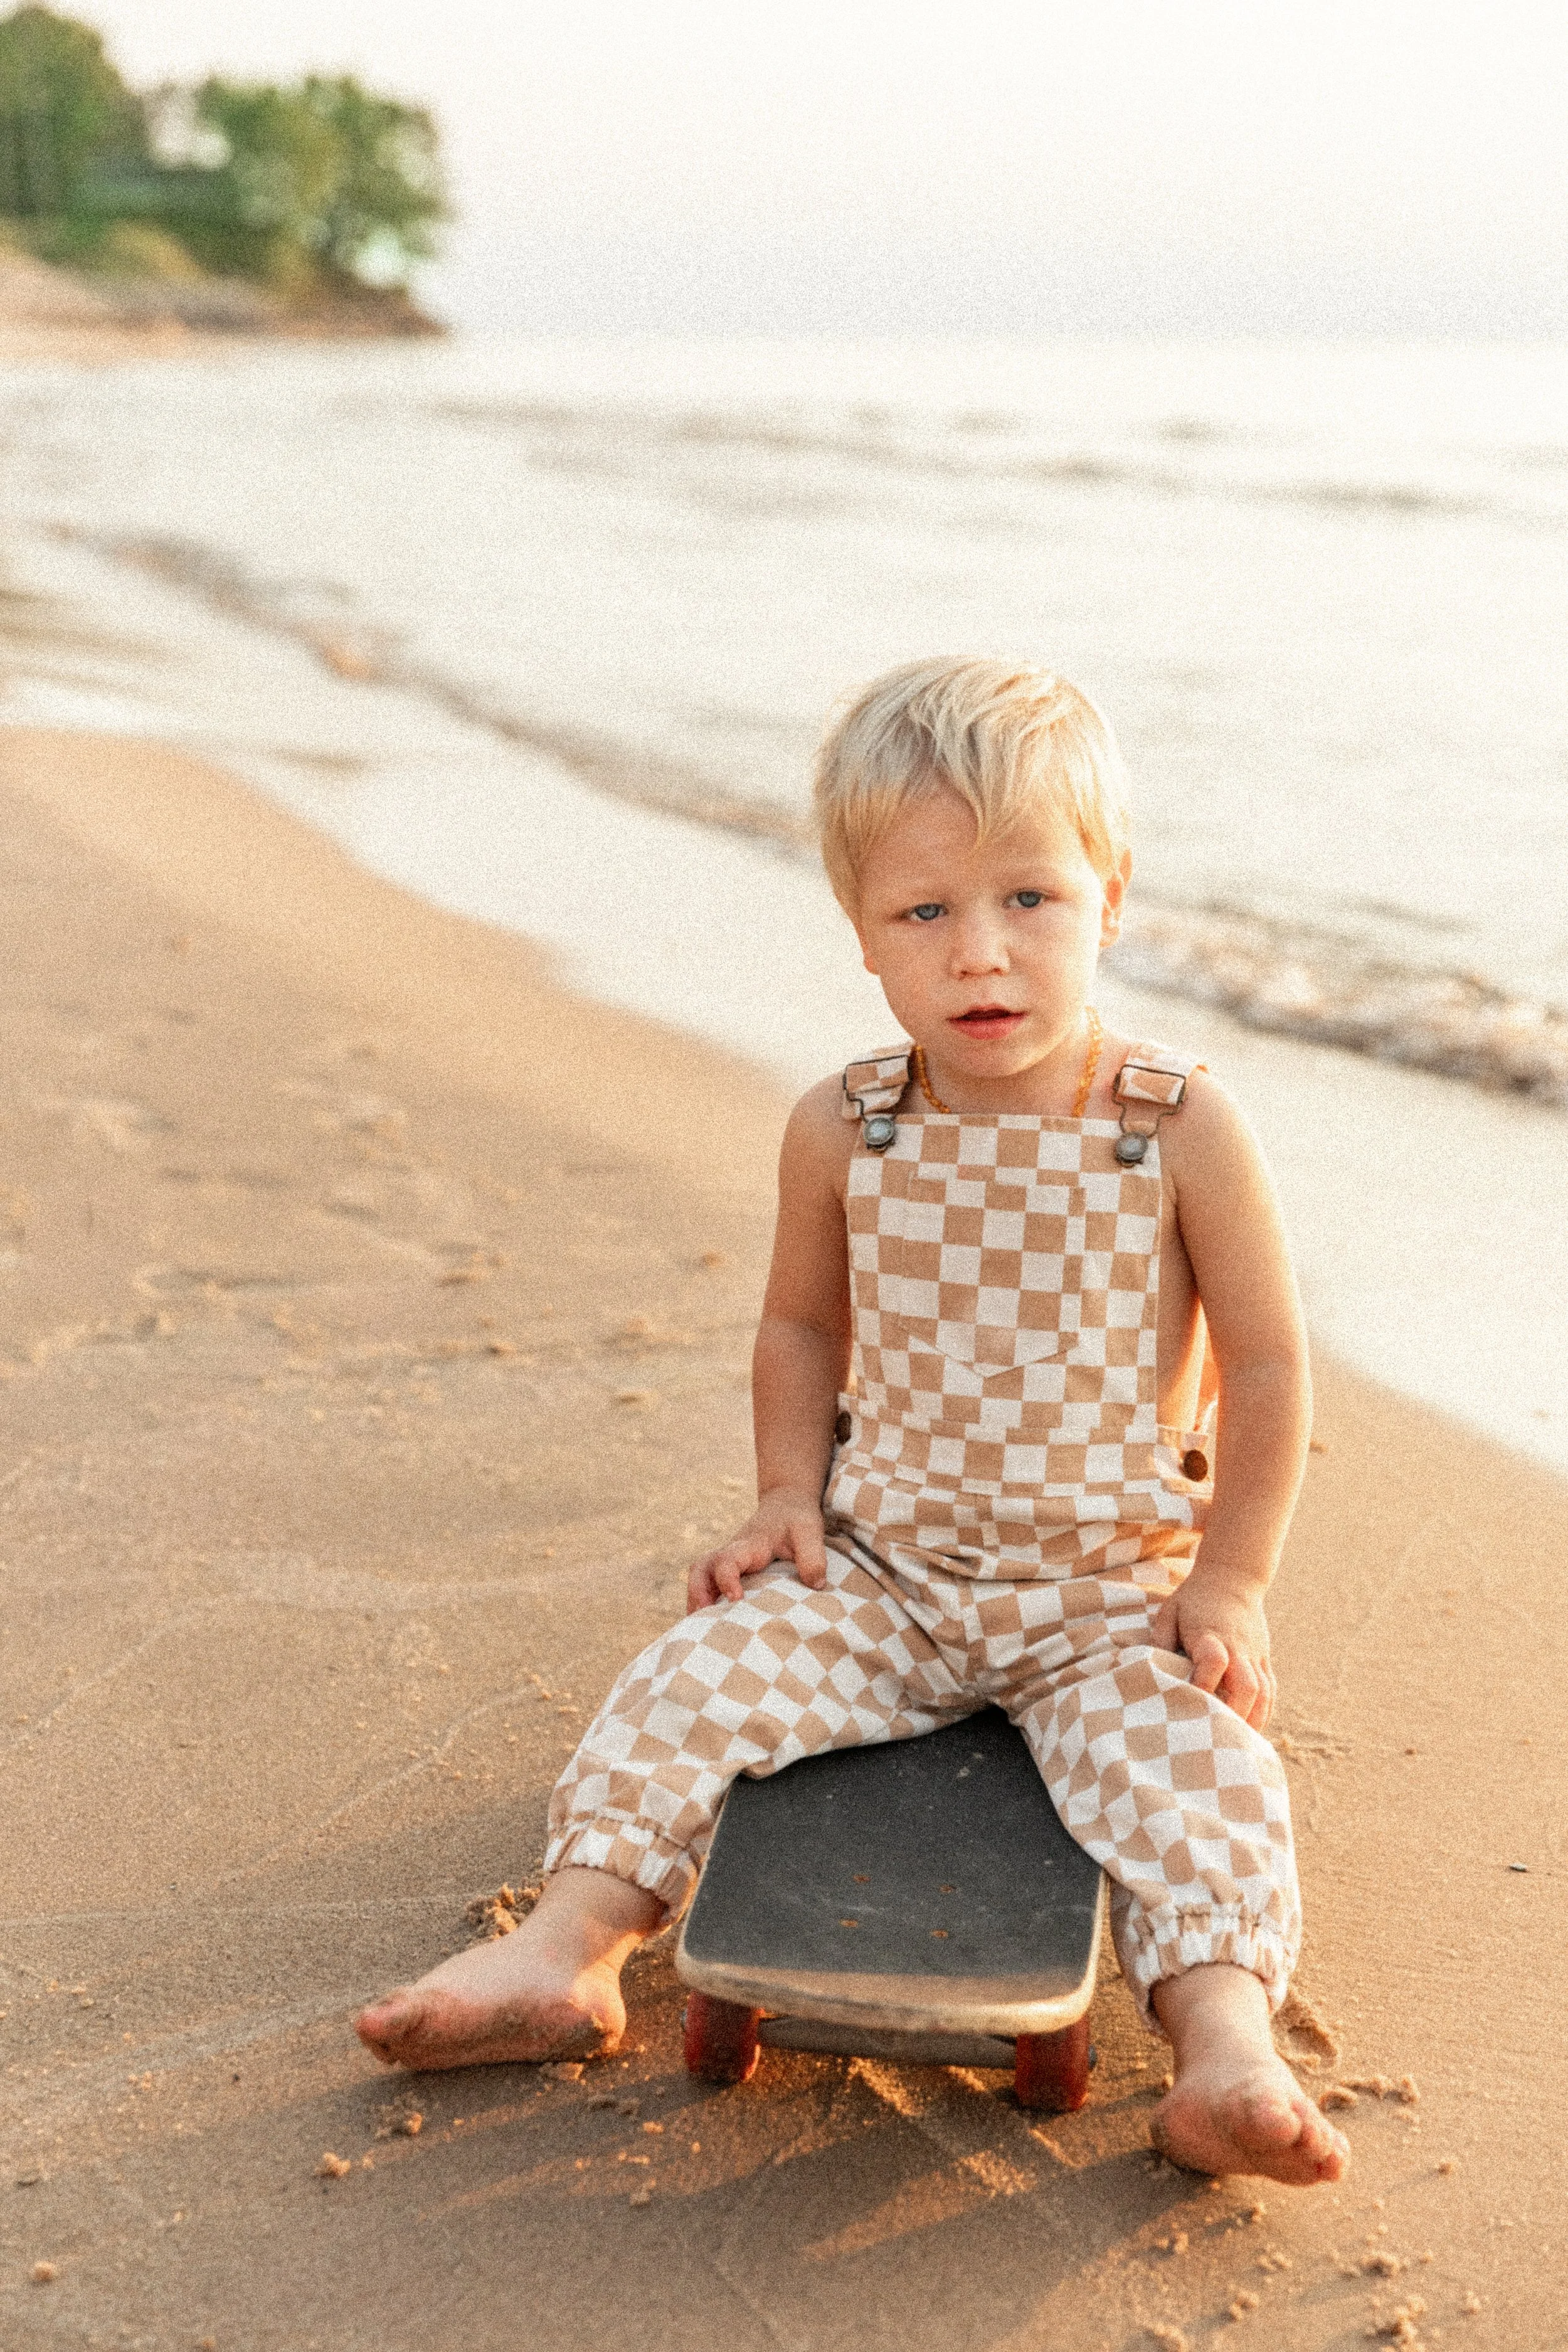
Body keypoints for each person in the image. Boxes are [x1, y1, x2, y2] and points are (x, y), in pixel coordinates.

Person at [356, 657, 1348, 2186]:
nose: (983, 954)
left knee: (1202, 1778)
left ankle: (1222, 2050)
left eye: (1029, 899)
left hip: (1104, 1601)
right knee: (694, 1675)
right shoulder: (849, 1123)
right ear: (862, 932)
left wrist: (1228, 1583)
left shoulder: (1172, 1122)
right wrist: (781, 1500)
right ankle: (564, 1954)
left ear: (1110, 895)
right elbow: (801, 1327)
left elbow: (1270, 1366)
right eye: (925, 913)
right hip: (887, 1575)